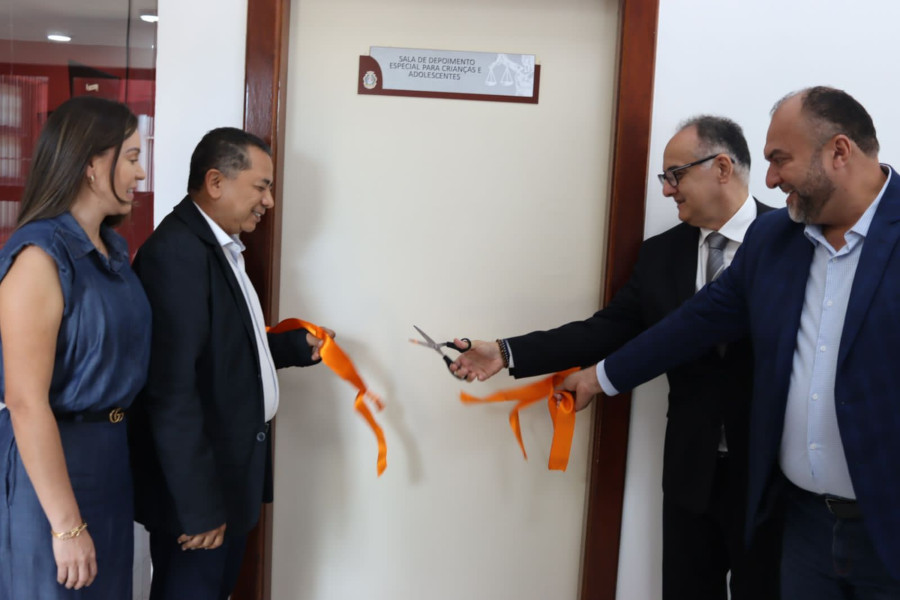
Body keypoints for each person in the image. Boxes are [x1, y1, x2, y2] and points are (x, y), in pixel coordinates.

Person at [561, 86, 900, 598]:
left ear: (838, 151)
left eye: (779, 160)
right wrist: (599, 377)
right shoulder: (774, 240)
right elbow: (692, 324)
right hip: (802, 526)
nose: (768, 179)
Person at [452, 116, 779, 600]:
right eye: (664, 179)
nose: (667, 190)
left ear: (723, 167)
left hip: (772, 478)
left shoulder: (791, 243)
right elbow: (605, 331)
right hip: (692, 473)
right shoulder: (661, 255)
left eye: (675, 175)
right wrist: (505, 351)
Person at [129, 127, 331, 600]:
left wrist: (293, 349)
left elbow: (221, 355)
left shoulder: (220, 248)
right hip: (198, 497)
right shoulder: (177, 254)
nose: (270, 201)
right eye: (261, 186)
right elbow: (171, 391)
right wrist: (197, 506)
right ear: (216, 182)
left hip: (228, 483)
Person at [0, 96, 151, 598]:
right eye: (131, 157)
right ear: (92, 165)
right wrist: (66, 525)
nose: (140, 170)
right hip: (54, 466)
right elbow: (25, 400)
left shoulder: (113, 251)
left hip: (111, 459)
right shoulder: (39, 255)